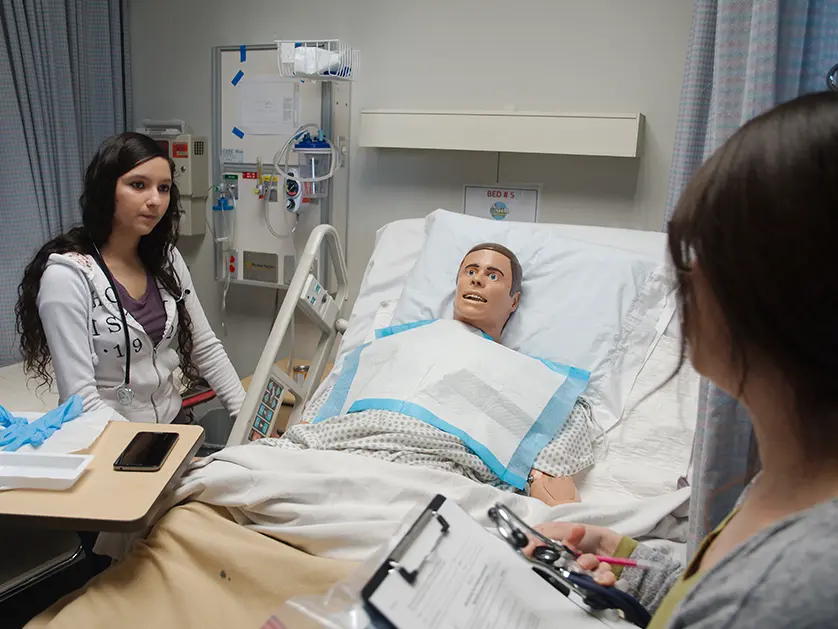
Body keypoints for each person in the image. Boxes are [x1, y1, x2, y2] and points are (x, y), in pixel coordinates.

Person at [528, 91, 838, 628]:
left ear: (778, 289)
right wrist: (630, 561)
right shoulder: (786, 483)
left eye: (701, 254)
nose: (684, 283)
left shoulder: (794, 589)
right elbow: (717, 586)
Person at [16, 132, 246, 425]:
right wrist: (153, 449)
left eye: (163, 188)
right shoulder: (67, 277)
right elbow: (82, 400)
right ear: (106, 189)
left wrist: (248, 422)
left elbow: (205, 347)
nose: (155, 200)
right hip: (108, 439)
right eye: (138, 185)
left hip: (172, 425)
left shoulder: (167, 260)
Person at [453, 242, 581, 504]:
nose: (477, 280)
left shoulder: (532, 379)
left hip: (444, 475)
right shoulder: (403, 341)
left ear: (515, 301)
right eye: (470, 272)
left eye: (492, 276)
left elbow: (550, 469)